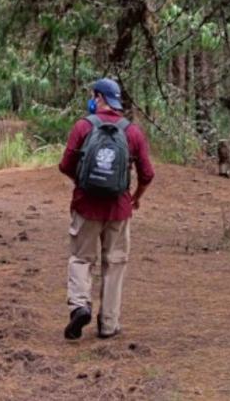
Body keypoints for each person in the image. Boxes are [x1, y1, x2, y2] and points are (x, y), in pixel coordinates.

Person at [57, 78, 155, 340]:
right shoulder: (132, 132)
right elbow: (147, 173)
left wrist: (83, 183)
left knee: (81, 259)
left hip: (85, 205)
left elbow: (65, 165)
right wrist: (136, 196)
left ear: (98, 97)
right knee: (115, 263)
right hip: (119, 209)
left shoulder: (83, 126)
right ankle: (109, 324)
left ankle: (80, 305)